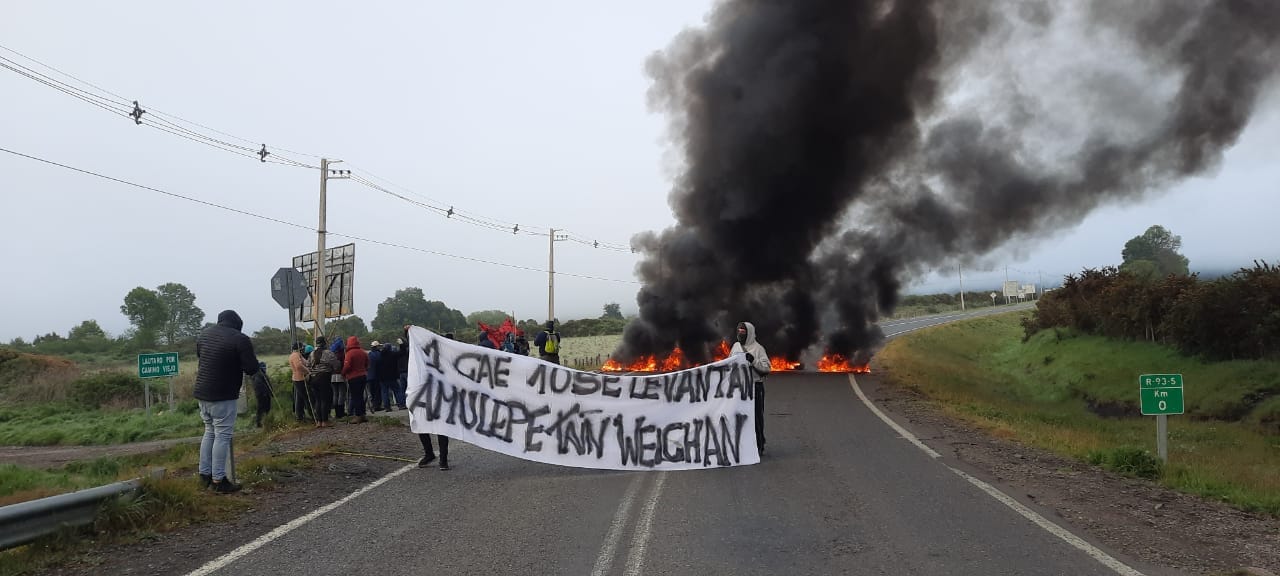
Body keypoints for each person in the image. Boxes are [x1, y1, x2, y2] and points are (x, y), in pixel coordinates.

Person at [194, 309, 259, 493]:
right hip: (223, 394)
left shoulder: (204, 334)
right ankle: (219, 480)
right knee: (222, 436)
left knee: (209, 432)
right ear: (238, 324)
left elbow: (201, 356)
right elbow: (251, 368)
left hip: (202, 393)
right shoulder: (240, 339)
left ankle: (204, 475)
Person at [730, 321, 772, 456]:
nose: (740, 334)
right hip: (739, 388)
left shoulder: (758, 349)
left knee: (756, 418)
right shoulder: (735, 346)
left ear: (749, 333)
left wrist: (753, 360)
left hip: (754, 387)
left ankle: (759, 445)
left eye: (743, 332)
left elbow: (766, 368)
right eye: (739, 331)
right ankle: (742, 445)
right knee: (739, 418)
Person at [419, 332, 454, 471]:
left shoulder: (451, 358)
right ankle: (429, 454)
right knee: (421, 424)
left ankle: (443, 459)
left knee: (442, 427)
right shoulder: (429, 354)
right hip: (427, 395)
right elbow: (415, 347)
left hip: (443, 397)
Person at [308, 336, 339, 427]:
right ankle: (325, 421)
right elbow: (336, 365)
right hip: (324, 378)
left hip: (313, 379)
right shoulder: (328, 353)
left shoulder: (312, 353)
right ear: (325, 343)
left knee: (318, 400)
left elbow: (308, 365)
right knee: (324, 400)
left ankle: (319, 421)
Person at [342, 336, 369, 423]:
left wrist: (343, 373)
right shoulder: (363, 352)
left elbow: (347, 366)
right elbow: (367, 363)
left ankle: (358, 416)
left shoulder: (349, 353)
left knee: (355, 397)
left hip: (353, 377)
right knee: (361, 396)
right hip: (363, 376)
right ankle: (363, 414)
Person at [289, 343, 312, 422]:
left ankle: (300, 416)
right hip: (299, 378)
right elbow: (298, 366)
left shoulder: (297, 355)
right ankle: (311, 415)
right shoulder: (295, 355)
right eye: (302, 347)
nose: (303, 349)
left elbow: (306, 362)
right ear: (299, 348)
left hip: (297, 378)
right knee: (306, 397)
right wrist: (307, 371)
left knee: (300, 398)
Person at [379, 341, 403, 411]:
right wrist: (401, 345)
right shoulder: (393, 354)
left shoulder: (380, 355)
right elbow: (402, 352)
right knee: (397, 390)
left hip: (382, 377)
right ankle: (401, 405)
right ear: (390, 348)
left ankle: (387, 407)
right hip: (392, 376)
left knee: (384, 392)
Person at [329, 337, 348, 420]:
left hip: (332, 376)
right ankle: (341, 412)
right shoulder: (342, 354)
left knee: (335, 394)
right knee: (341, 394)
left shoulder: (331, 354)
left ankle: (337, 413)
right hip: (340, 375)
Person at [251, 361, 273, 428]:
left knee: (266, 408)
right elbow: (259, 385)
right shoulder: (258, 375)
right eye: (264, 367)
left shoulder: (262, 374)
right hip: (262, 394)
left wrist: (271, 392)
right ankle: (259, 423)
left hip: (265, 394)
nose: (265, 369)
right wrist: (265, 392)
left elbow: (268, 384)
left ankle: (266, 420)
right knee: (261, 408)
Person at [394, 333, 410, 410]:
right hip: (407, 371)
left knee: (402, 390)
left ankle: (402, 404)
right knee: (410, 388)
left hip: (401, 373)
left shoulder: (397, 353)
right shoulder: (406, 352)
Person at [367, 340, 383, 412]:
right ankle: (377, 406)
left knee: (372, 392)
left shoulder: (369, 354)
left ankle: (373, 405)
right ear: (376, 347)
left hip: (369, 376)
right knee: (377, 391)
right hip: (376, 376)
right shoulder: (378, 354)